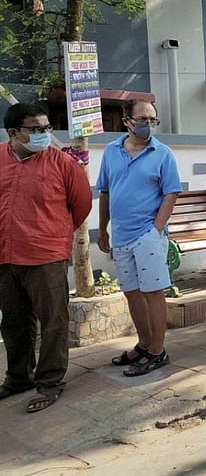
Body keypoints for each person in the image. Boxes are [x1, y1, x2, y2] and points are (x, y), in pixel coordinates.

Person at [0, 103, 92, 412]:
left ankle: (50, 382)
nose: (43, 135)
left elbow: (81, 205)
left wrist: (55, 234)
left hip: (46, 255)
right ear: (13, 133)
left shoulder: (62, 163)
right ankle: (18, 378)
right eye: (35, 129)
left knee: (53, 321)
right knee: (14, 324)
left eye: (46, 128)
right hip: (5, 255)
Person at [97, 99, 182, 376]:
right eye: (142, 119)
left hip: (147, 235)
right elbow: (106, 192)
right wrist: (102, 229)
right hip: (121, 236)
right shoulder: (111, 152)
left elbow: (171, 193)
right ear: (127, 121)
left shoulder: (163, 153)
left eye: (152, 120)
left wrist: (156, 229)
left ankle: (158, 351)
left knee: (152, 293)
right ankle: (144, 345)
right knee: (132, 293)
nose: (148, 125)